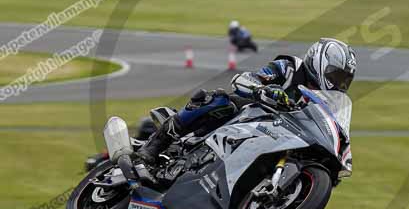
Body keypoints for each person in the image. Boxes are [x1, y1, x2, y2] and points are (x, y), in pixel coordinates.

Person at [138, 37, 357, 163]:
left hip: (280, 138)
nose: (338, 83)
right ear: (318, 62)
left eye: (344, 80)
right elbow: (245, 79)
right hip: (249, 118)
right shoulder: (289, 68)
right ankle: (158, 143)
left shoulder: (328, 102)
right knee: (220, 101)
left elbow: (331, 129)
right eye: (335, 75)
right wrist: (263, 90)